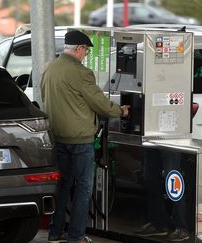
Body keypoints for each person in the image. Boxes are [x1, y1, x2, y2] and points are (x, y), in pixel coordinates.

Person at [41, 30, 130, 243]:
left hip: (58, 137)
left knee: (63, 186)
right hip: (80, 140)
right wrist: (121, 111)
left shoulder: (49, 68)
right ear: (79, 48)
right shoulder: (81, 72)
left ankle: (55, 233)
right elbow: (98, 102)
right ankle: (77, 236)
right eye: (86, 51)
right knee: (83, 188)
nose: (86, 55)